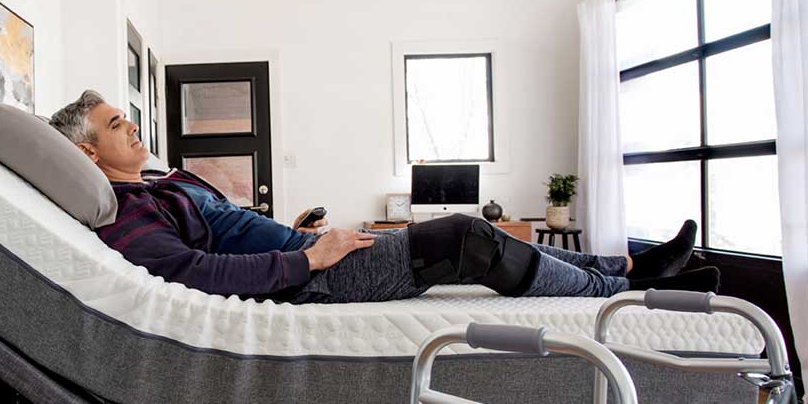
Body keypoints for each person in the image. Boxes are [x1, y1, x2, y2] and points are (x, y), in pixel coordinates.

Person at [49, 90, 716, 303]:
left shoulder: (165, 179)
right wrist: (307, 258)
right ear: (85, 153)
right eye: (115, 124)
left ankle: (629, 268)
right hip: (313, 277)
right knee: (463, 237)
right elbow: (188, 271)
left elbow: (226, 231)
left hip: (311, 248)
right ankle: (616, 289)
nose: (131, 126)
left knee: (470, 242)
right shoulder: (124, 210)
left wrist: (295, 229)